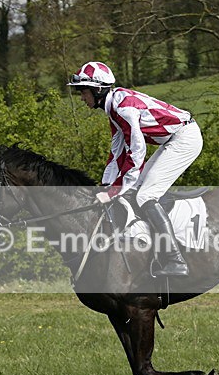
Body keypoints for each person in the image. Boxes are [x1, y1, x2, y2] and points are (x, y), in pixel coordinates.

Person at [67, 61, 203, 277]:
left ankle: (175, 259)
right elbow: (117, 153)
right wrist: (105, 187)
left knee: (146, 195)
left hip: (185, 139)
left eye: (83, 92)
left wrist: (113, 191)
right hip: (174, 139)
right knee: (134, 190)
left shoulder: (124, 108)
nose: (81, 97)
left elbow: (137, 152)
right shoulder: (114, 108)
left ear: (98, 90)